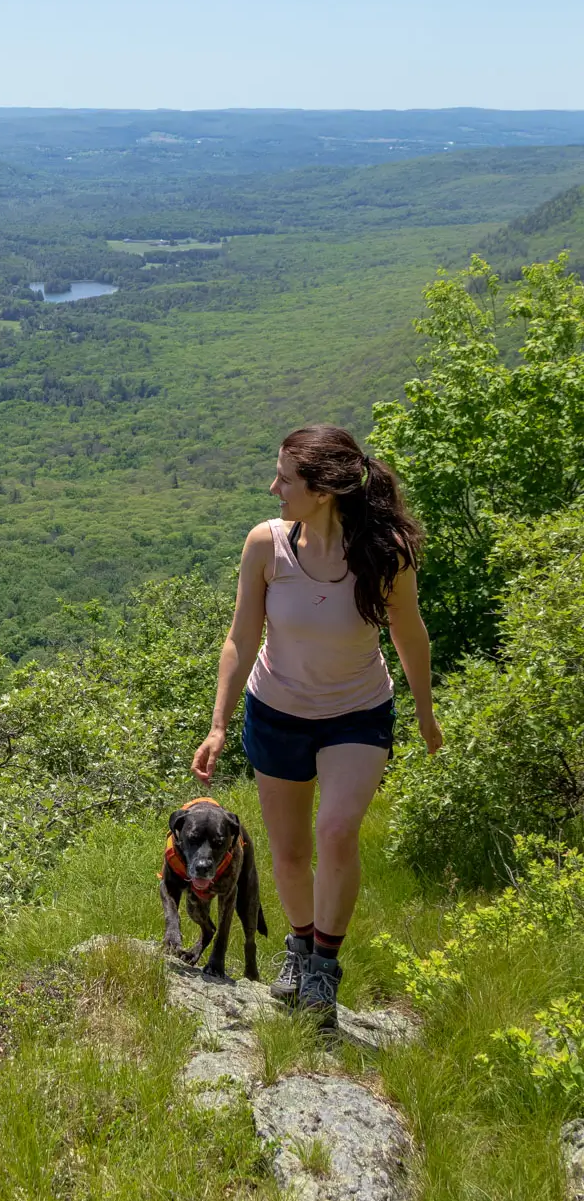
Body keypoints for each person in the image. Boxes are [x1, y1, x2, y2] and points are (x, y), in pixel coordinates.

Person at [190, 425, 443, 1029]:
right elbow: (240, 637)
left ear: (323, 490)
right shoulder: (266, 546)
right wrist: (219, 723)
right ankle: (299, 950)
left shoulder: (383, 552)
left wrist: (425, 714)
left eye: (285, 478)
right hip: (276, 713)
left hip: (357, 711)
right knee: (291, 851)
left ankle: (324, 970)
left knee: (334, 832)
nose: (273, 488)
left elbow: (409, 635)